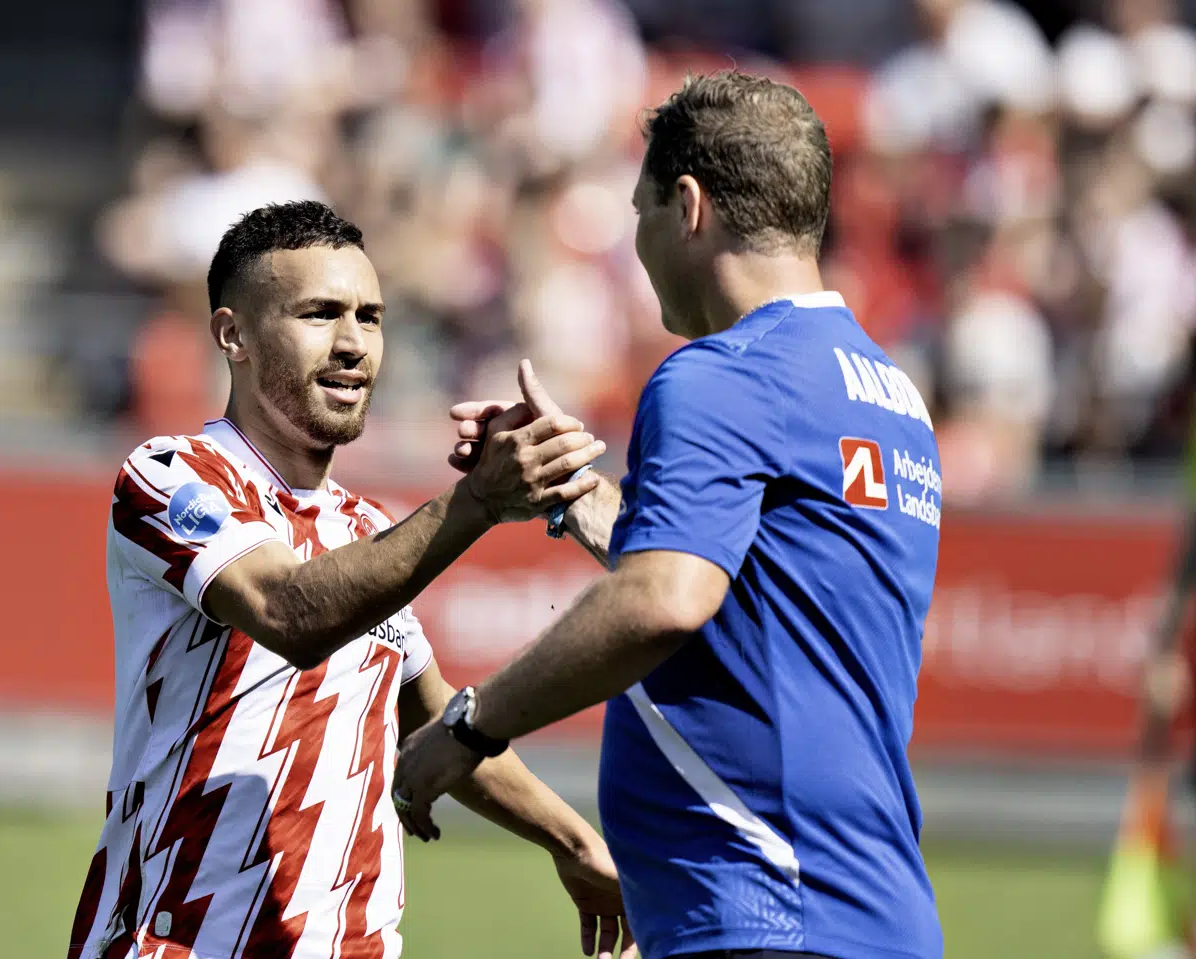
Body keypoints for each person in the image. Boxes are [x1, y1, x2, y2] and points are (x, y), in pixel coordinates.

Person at [392, 71, 945, 959]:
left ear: (688, 205)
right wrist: (576, 489)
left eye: (638, 210)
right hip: (864, 911)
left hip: (764, 908)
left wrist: (469, 725)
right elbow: (734, 586)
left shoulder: (721, 374)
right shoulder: (886, 393)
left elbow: (665, 598)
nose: (636, 242)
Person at [67, 200, 633, 959]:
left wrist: (576, 843)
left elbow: (442, 731)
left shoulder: (366, 528)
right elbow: (290, 613)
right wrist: (476, 501)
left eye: (370, 316)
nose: (352, 344)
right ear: (233, 334)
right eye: (318, 314)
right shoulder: (171, 476)